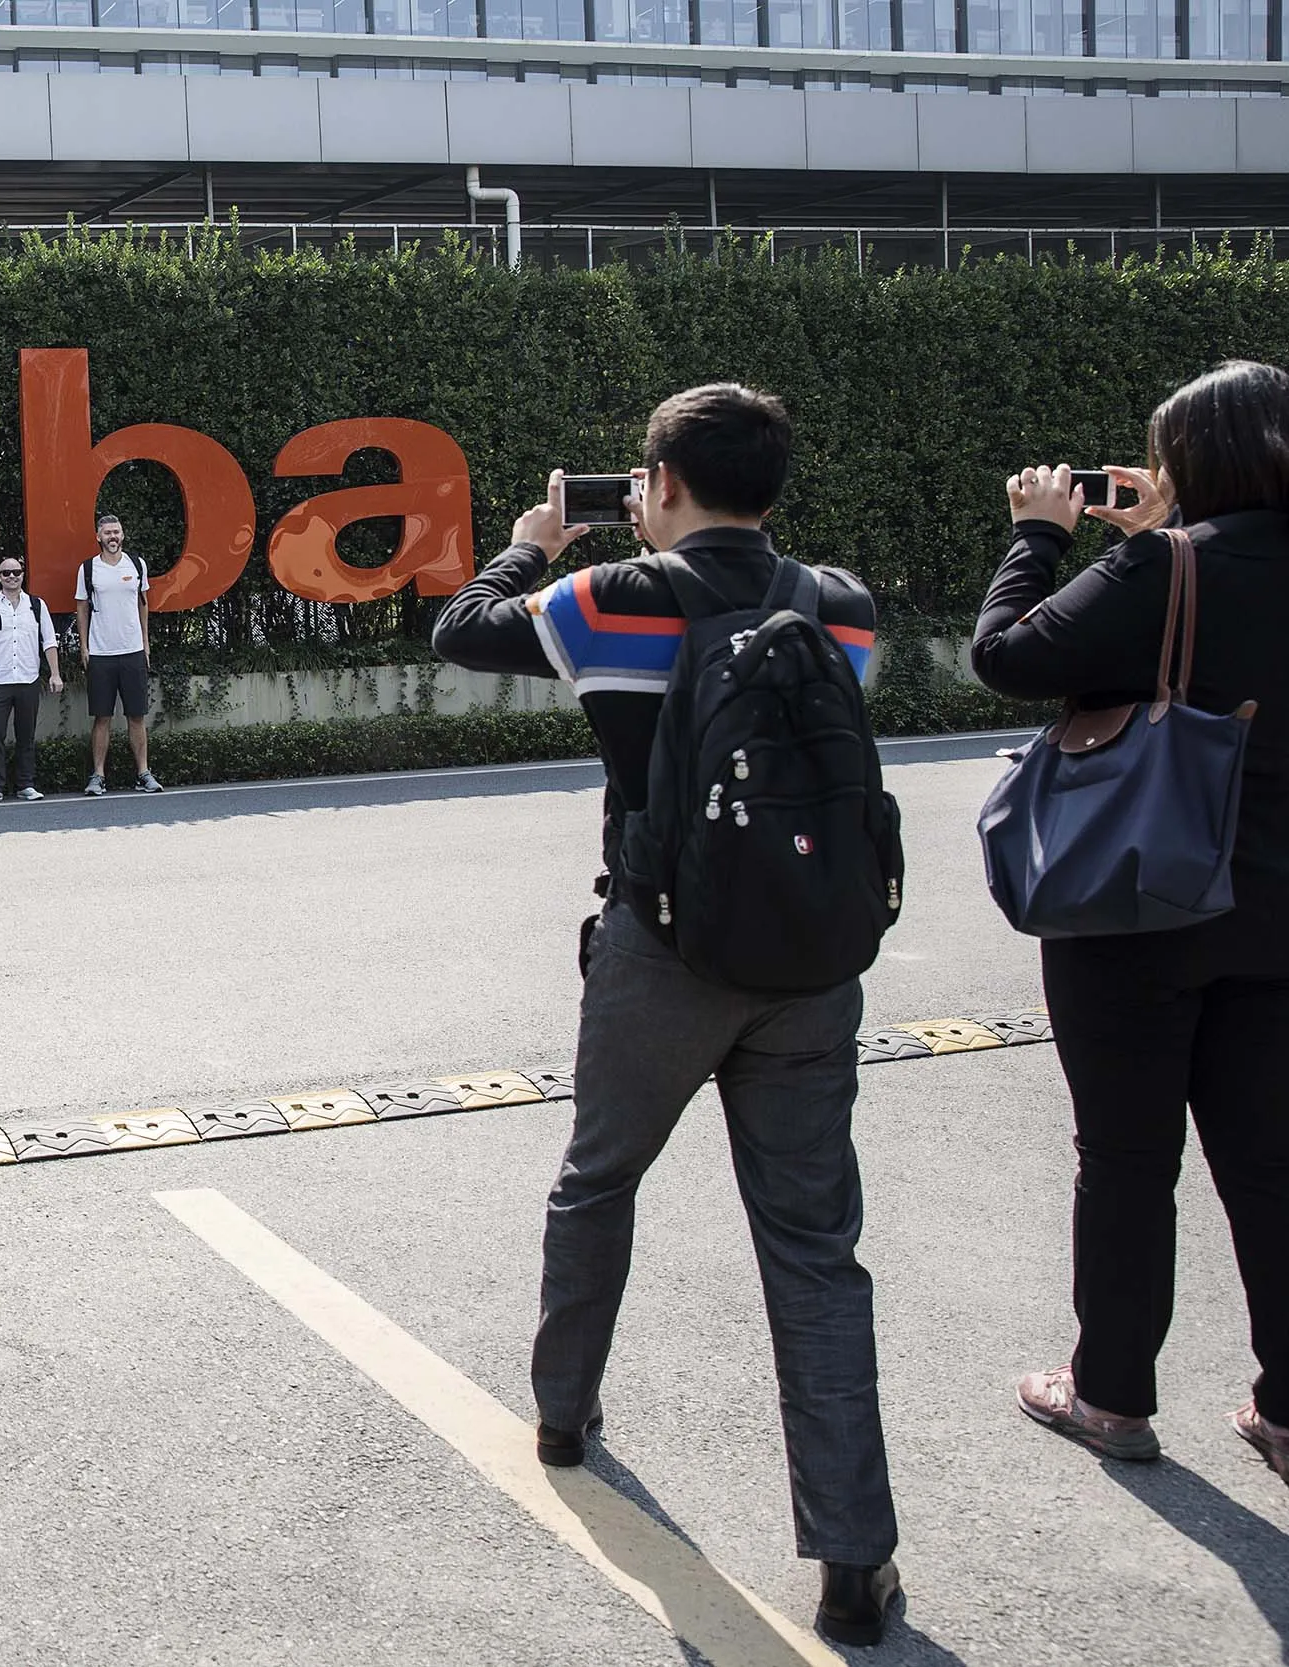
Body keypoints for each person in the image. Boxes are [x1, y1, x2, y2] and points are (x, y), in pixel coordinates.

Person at [432, 385, 904, 1645]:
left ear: (658, 481)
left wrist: (538, 541)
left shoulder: (608, 602)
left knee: (599, 1177)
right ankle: (855, 1556)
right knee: (814, 1248)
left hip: (662, 951)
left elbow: (461, 628)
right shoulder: (840, 606)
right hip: (810, 961)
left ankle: (563, 1412)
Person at [969, 360, 1289, 1487]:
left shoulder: (1161, 565)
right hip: (1277, 920)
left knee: (1123, 1157)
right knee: (1269, 1162)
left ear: (1191, 460)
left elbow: (1006, 655)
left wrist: (1043, 535)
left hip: (1139, 909)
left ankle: (1109, 1394)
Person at [75, 513, 163, 796]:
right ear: (98, 537)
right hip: (101, 653)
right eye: (107, 533)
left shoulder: (137, 565)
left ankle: (144, 773)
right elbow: (81, 608)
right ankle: (98, 776)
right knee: (102, 717)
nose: (112, 537)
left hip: (133, 651)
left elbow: (143, 605)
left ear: (122, 535)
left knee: (136, 716)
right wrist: (85, 647)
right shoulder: (88, 569)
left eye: (117, 532)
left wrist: (146, 644)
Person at [0, 556, 64, 804]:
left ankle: (26, 784)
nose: (12, 576)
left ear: (23, 574)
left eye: (16, 572)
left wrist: (55, 673)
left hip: (28, 677)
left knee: (26, 734)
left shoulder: (36, 605)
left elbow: (49, 641)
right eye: (6, 573)